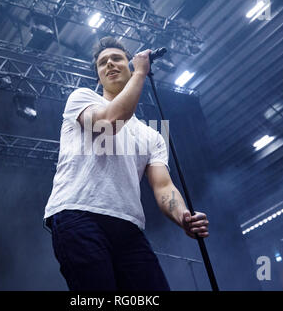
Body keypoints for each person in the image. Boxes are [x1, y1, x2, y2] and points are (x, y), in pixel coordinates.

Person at [44, 36, 209, 291]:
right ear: (98, 75)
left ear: (128, 65)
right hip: (78, 215)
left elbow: (163, 187)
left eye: (117, 58)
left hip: (128, 227)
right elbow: (109, 121)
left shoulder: (153, 133)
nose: (109, 63)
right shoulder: (82, 98)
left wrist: (182, 215)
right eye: (102, 62)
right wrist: (140, 74)